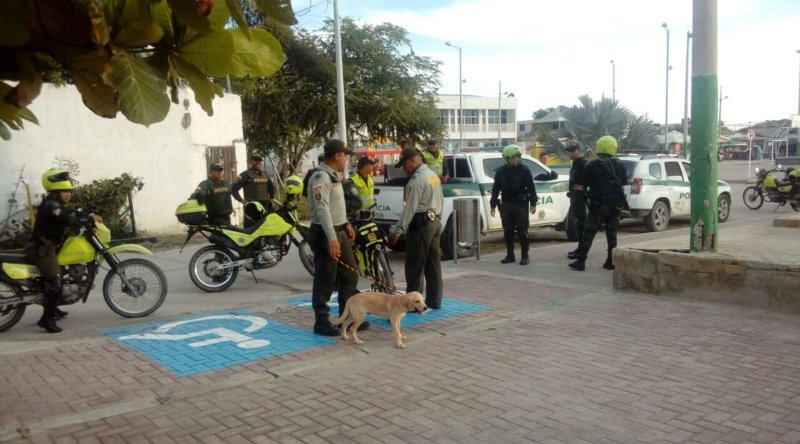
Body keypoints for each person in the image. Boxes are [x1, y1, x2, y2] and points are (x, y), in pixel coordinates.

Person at [307, 139, 368, 335]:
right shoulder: (321, 176)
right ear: (337, 156)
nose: (346, 159)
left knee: (350, 274)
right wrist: (332, 238)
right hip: (325, 233)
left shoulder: (334, 176)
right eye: (345, 156)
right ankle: (321, 321)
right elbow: (322, 209)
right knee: (326, 278)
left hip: (339, 230)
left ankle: (347, 316)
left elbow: (335, 207)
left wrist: (346, 223)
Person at [25, 169, 89, 333]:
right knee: (55, 281)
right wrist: (87, 218)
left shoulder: (55, 204)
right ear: (55, 192)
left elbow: (69, 214)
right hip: (41, 249)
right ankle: (47, 319)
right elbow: (67, 217)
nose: (68, 194)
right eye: (64, 191)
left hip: (48, 247)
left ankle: (54, 308)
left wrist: (88, 216)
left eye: (69, 191)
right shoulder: (51, 205)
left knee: (60, 274)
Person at [388, 148, 444, 309]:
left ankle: (413, 305)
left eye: (405, 165)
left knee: (414, 266)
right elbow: (440, 199)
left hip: (421, 224)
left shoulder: (416, 180)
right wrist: (437, 219)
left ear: (413, 160)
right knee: (433, 265)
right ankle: (434, 301)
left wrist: (397, 231)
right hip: (434, 221)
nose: (404, 169)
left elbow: (410, 209)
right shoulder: (432, 175)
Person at [569, 136, 628, 271]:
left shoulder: (592, 165)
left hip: (598, 205)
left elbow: (583, 185)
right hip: (615, 205)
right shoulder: (619, 164)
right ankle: (610, 261)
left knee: (588, 233)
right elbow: (624, 182)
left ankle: (581, 261)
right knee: (612, 235)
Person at [489, 145, 537, 266]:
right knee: (508, 231)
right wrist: (493, 205)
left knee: (522, 231)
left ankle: (525, 255)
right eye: (513, 157)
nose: (516, 159)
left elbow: (531, 188)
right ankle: (510, 255)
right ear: (506, 159)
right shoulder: (500, 171)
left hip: (520, 204)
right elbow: (495, 189)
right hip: (506, 204)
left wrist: (533, 203)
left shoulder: (524, 170)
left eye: (517, 157)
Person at [565, 142, 588, 260]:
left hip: (581, 199)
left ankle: (582, 250)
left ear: (578, 151)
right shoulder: (575, 164)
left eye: (571, 151)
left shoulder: (584, 164)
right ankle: (579, 248)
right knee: (578, 224)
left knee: (582, 225)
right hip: (575, 198)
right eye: (568, 151)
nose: (569, 153)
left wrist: (584, 188)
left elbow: (590, 181)